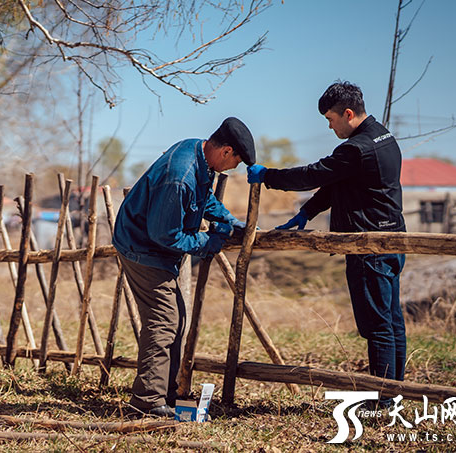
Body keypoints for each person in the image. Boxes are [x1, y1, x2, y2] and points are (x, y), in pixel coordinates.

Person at [247, 81, 406, 394]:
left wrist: (268, 176)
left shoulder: (355, 148)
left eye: (331, 120)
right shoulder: (382, 136)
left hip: (368, 245)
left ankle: (384, 400)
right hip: (392, 238)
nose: (330, 126)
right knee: (391, 318)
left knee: (377, 325)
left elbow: (313, 175)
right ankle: (399, 390)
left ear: (348, 113)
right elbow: (338, 185)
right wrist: (308, 212)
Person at [112, 117, 256, 418]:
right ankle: (146, 403)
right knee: (164, 321)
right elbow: (165, 235)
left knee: (175, 318)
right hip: (142, 248)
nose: (236, 167)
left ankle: (164, 395)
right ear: (226, 151)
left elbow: (202, 201)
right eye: (238, 160)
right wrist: (209, 242)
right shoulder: (181, 176)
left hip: (151, 245)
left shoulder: (198, 154)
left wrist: (228, 221)